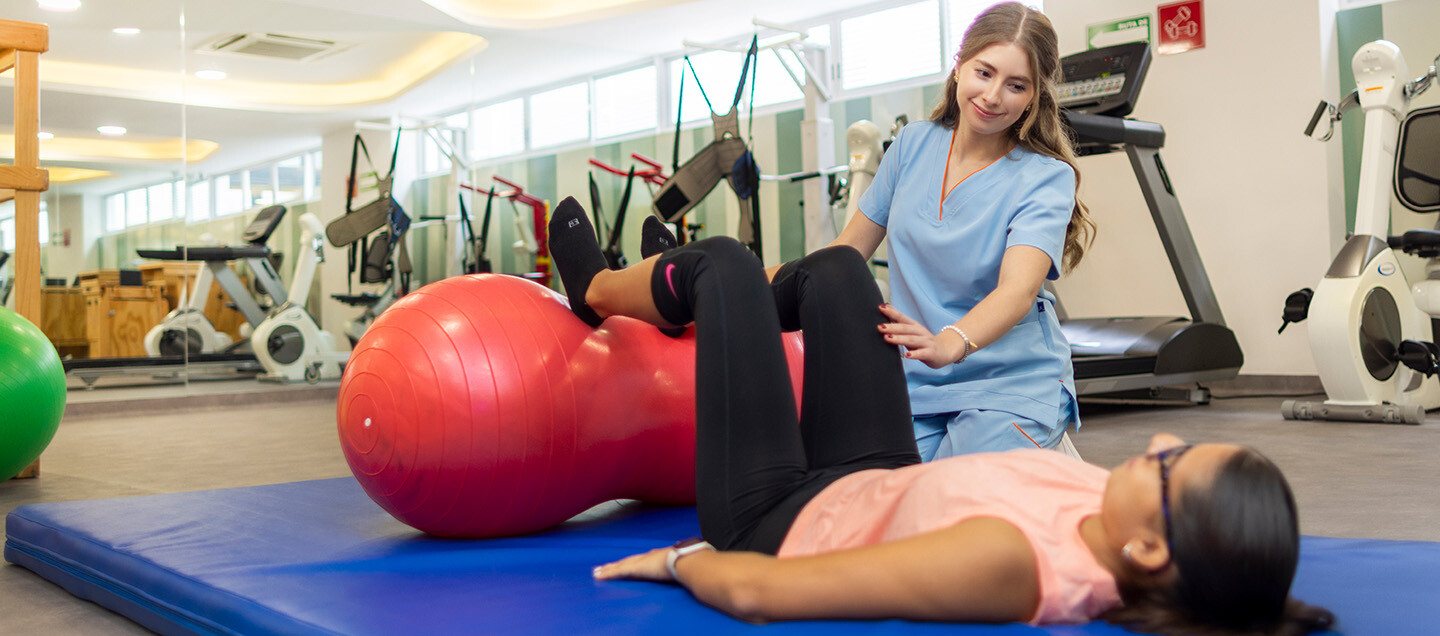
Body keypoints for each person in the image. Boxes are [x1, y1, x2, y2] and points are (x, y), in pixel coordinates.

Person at [544, 197, 1332, 634]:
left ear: (1150, 548)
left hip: (774, 517)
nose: (1158, 440)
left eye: (1168, 463)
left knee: (727, 263)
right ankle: (699, 306)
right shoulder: (1119, 516)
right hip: (876, 477)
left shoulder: (1010, 564)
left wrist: (678, 563)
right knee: (839, 270)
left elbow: (764, 593)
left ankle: (602, 291)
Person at [804, 2, 1097, 460]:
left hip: (1010, 383)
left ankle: (1044, 450)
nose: (993, 95)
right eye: (984, 72)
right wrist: (744, 286)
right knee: (881, 490)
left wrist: (949, 342)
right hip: (919, 384)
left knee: (948, 491)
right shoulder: (911, 145)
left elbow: (1017, 291)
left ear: (1034, 96)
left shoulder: (1045, 177)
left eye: (1016, 85)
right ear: (959, 66)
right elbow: (843, 254)